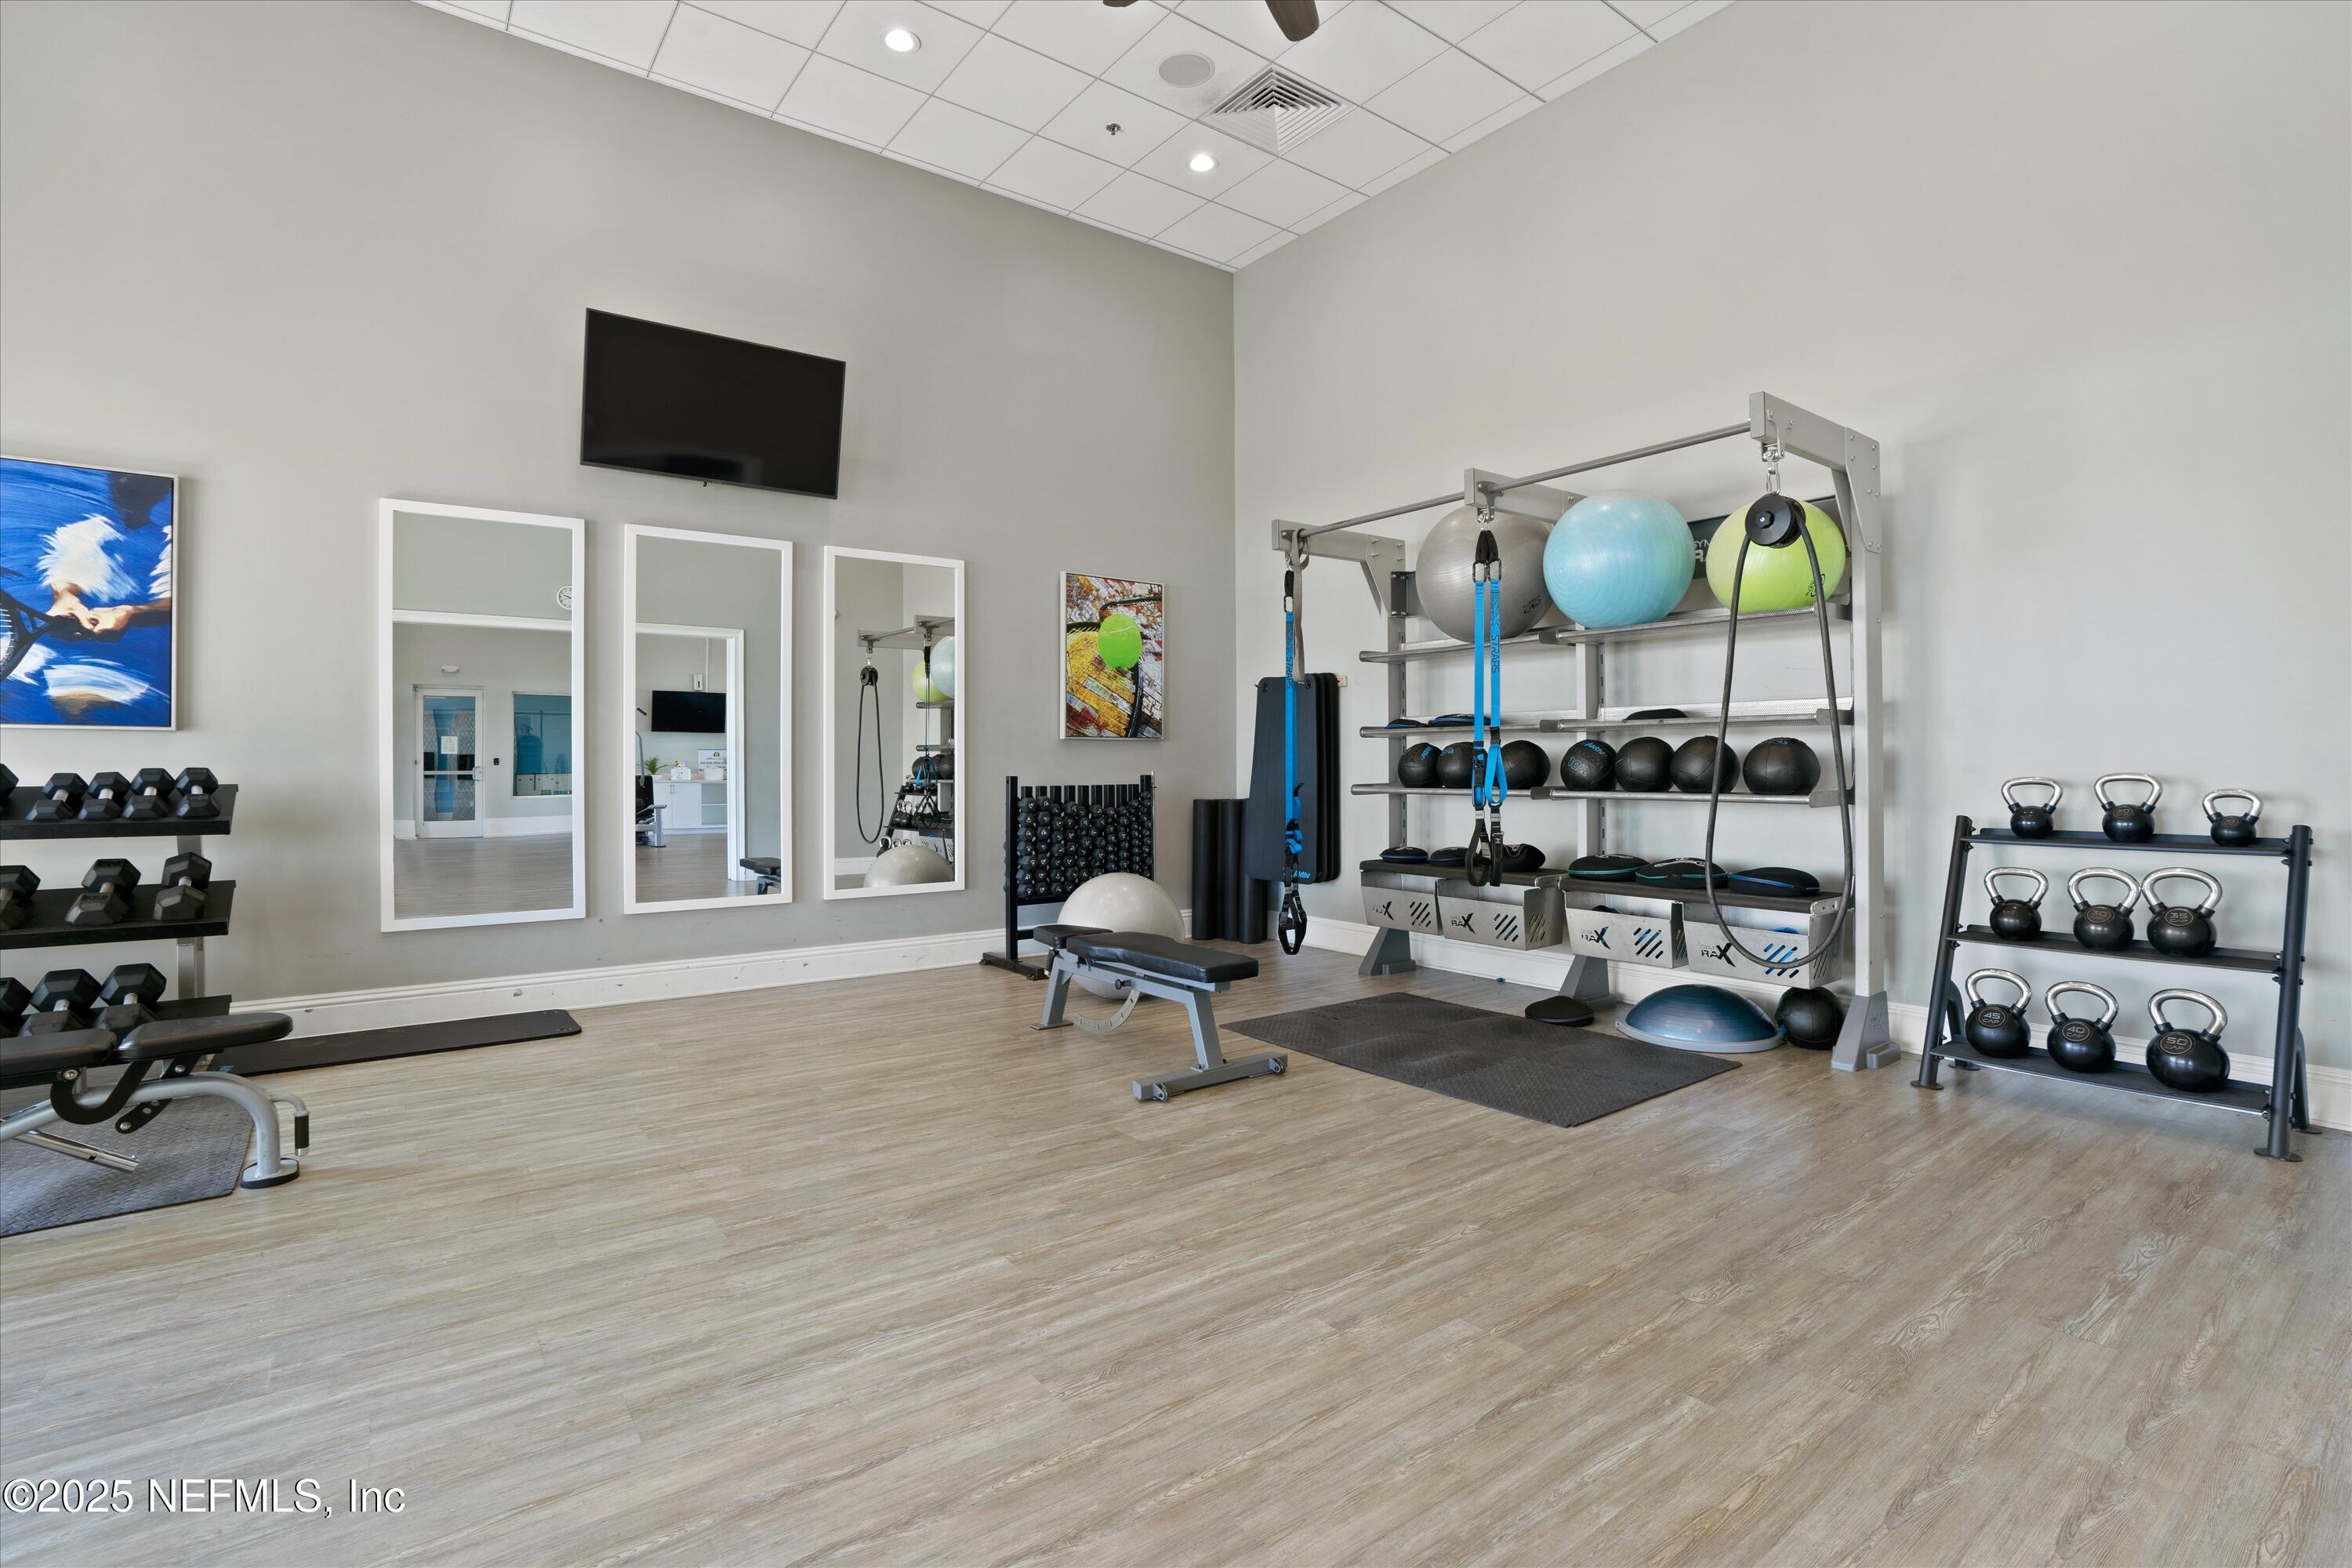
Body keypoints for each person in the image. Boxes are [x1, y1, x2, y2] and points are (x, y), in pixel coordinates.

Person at [0, 457, 175, 726]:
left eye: (137, 481)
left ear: (163, 489)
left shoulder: (172, 540)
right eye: (119, 478)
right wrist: (67, 601)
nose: (125, 483)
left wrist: (133, 613)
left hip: (110, 676)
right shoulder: (81, 533)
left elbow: (173, 604)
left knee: (79, 704)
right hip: (43, 662)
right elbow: (66, 585)